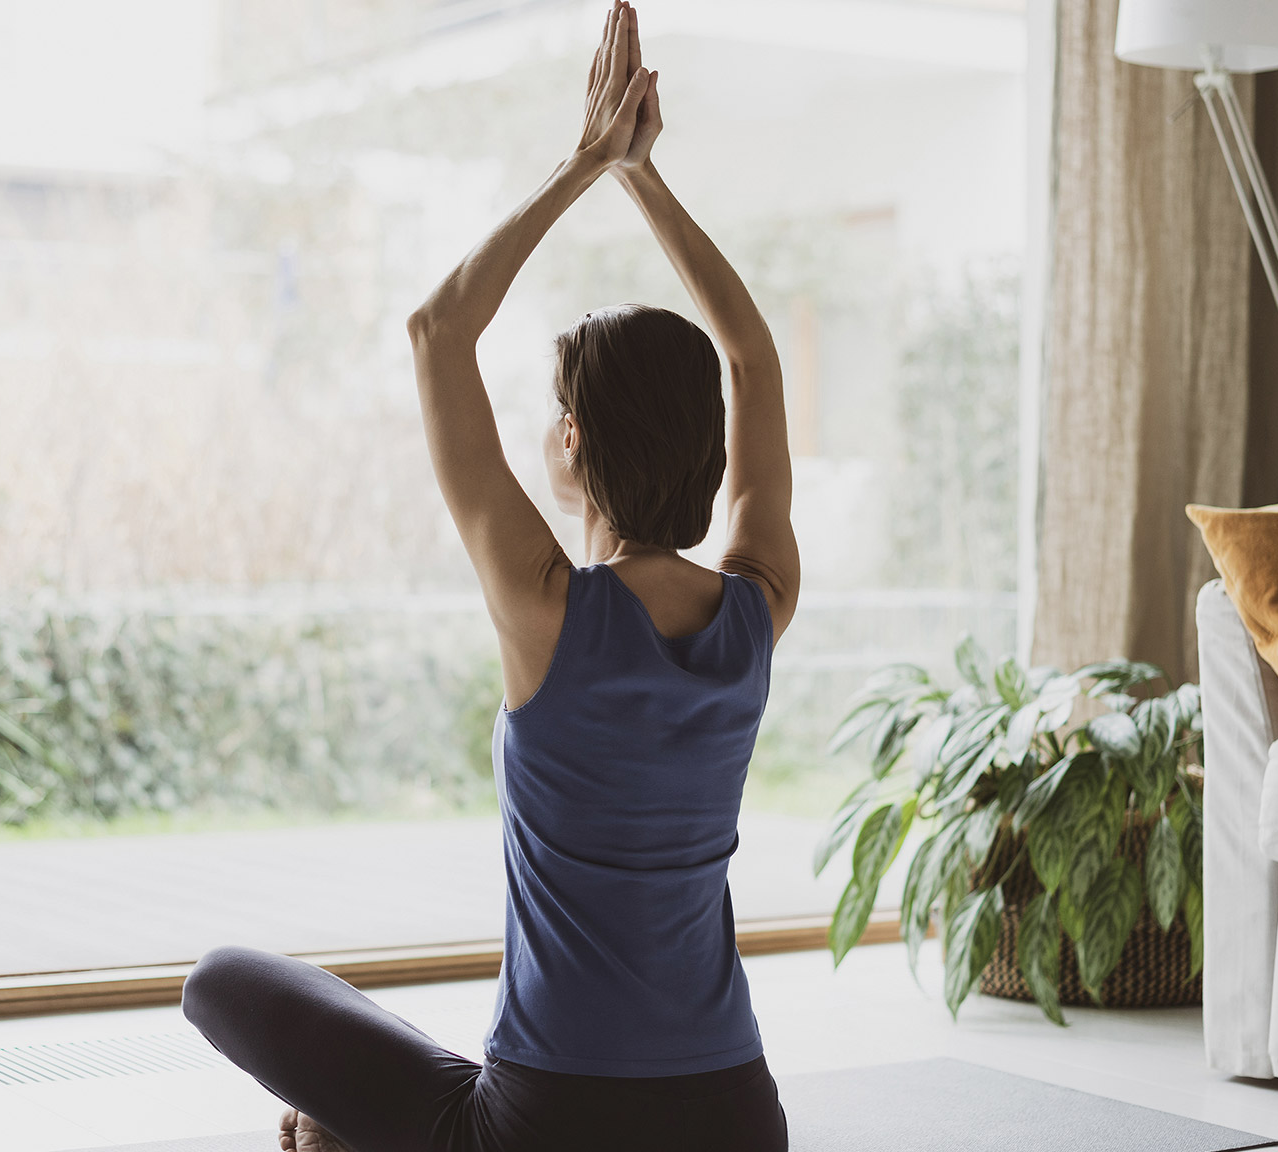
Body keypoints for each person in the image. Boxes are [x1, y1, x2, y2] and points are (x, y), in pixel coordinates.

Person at [181, 4, 797, 1148]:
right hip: (735, 1118)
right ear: (708, 450)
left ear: (570, 443)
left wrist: (588, 162)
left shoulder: (545, 609)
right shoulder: (757, 604)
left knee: (223, 979)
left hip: (549, 1124)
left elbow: (434, 329)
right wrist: (642, 183)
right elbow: (751, 358)